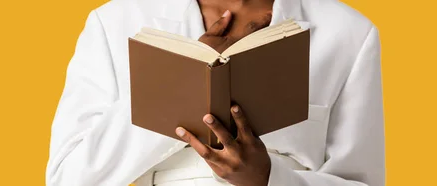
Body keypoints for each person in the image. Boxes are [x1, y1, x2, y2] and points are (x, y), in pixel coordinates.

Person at [46, 0, 384, 185]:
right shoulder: (114, 21)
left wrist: (268, 179)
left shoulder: (348, 31)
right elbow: (68, 178)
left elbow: (361, 182)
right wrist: (178, 83)